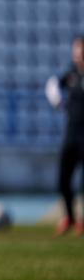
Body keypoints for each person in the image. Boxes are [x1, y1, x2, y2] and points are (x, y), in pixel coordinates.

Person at [45, 34, 84, 236]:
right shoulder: (71, 75)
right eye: (76, 49)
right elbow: (52, 85)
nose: (78, 53)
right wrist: (59, 103)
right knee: (63, 179)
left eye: (81, 49)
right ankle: (70, 217)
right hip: (72, 133)